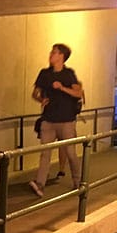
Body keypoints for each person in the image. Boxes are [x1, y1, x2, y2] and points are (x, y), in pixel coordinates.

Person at [28, 43, 84, 198]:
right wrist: (41, 100)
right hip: (48, 119)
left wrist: (62, 88)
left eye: (54, 52)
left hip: (66, 120)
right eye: (51, 52)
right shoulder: (44, 73)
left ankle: (78, 182)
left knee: (70, 152)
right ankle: (40, 184)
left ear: (62, 56)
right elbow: (35, 93)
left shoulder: (68, 74)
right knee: (45, 153)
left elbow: (78, 93)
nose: (51, 55)